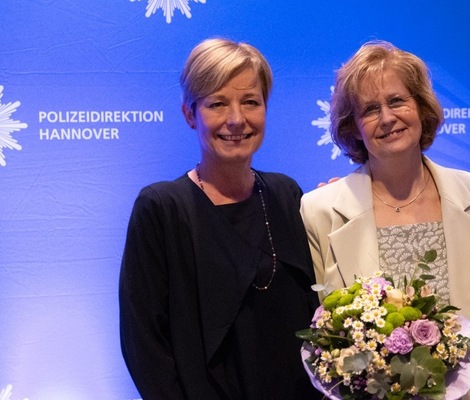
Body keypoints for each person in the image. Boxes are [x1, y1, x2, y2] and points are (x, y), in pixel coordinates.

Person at [118, 38, 319, 399]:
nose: (236, 119)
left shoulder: (287, 194)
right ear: (190, 114)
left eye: (251, 102)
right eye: (217, 103)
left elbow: (318, 310)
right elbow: (144, 345)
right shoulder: (161, 208)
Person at [300, 40, 470, 399]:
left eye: (397, 101)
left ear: (421, 108)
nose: (387, 118)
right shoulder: (320, 211)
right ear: (353, 127)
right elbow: (323, 339)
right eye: (370, 109)